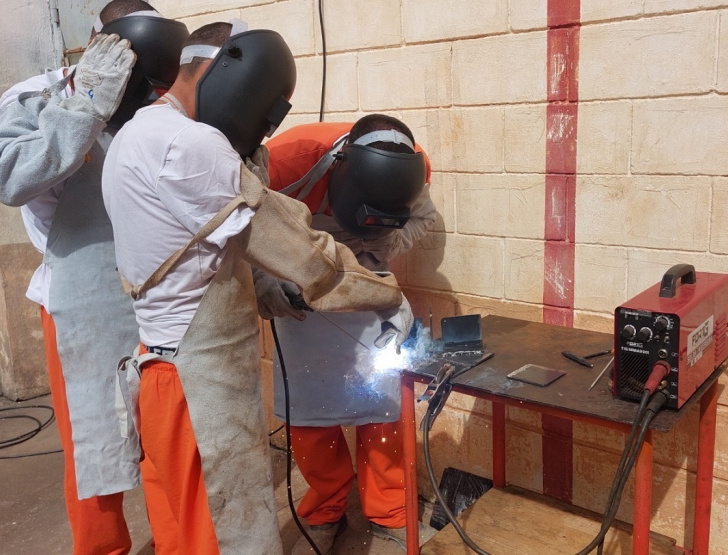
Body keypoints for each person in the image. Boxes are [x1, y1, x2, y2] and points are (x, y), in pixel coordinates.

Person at [102, 22, 414, 554]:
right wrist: (387, 295)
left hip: (162, 371)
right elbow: (308, 258)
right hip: (199, 392)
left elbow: (202, 252)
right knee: (231, 538)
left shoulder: (137, 132)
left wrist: (266, 289)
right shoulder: (191, 144)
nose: (265, 132)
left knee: (186, 535)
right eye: (267, 111)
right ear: (235, 75)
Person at [0, 3, 187, 553]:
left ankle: (180, 544)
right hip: (79, 300)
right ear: (97, 42)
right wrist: (88, 103)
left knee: (165, 439)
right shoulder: (33, 97)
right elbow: (11, 178)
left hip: (158, 297)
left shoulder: (164, 99)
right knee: (94, 444)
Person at [261, 115, 436, 553]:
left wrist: (379, 248)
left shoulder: (413, 170)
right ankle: (324, 507)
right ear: (340, 170)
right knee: (310, 406)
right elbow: (237, 220)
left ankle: (391, 509)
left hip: (365, 278)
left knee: (382, 397)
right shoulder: (286, 162)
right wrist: (266, 276)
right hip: (296, 281)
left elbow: (424, 218)